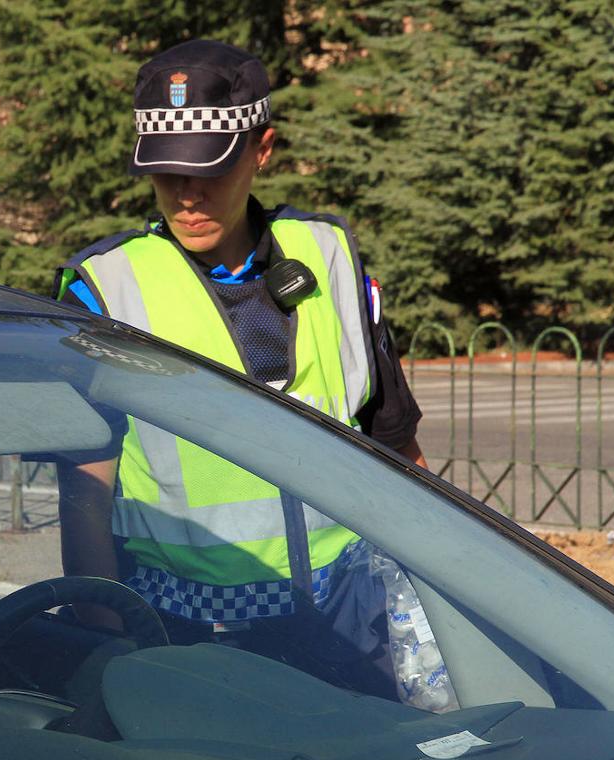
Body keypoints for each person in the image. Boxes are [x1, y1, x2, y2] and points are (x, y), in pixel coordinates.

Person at [53, 40, 426, 691]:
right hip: (187, 639)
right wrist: (104, 646)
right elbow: (84, 493)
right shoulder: (105, 288)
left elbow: (397, 444)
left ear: (263, 147)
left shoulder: (330, 254)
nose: (187, 194)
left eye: (210, 168)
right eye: (168, 172)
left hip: (350, 625)